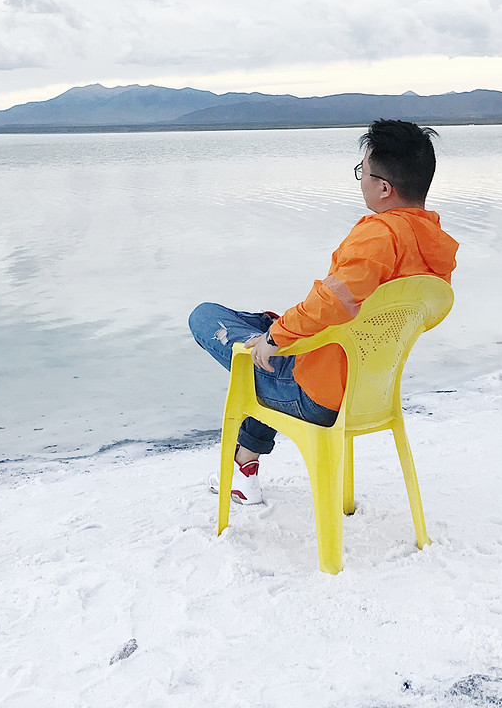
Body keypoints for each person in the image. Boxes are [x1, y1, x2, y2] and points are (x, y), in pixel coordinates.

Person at [188, 119, 459, 504]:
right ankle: (244, 465)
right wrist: (276, 330)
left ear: (384, 188)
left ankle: (242, 468)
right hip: (369, 389)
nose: (360, 180)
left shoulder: (378, 234)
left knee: (208, 318)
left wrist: (275, 338)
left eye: (361, 172)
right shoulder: (435, 249)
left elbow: (333, 301)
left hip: (318, 394)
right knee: (265, 329)